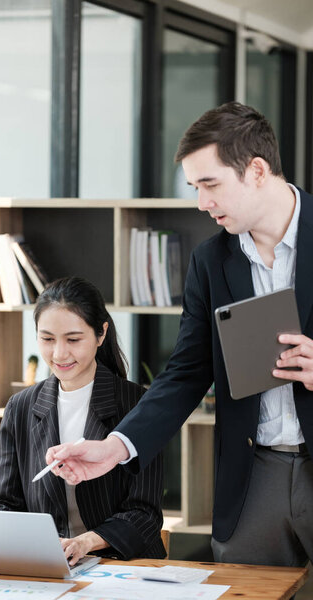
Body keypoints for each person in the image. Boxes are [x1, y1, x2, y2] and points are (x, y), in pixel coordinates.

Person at [46, 102, 313, 569]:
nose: (201, 203)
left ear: (256, 170)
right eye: (194, 187)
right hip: (255, 476)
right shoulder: (211, 262)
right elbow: (186, 373)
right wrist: (114, 448)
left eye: (210, 184)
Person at [0, 276, 165, 565]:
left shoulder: (138, 405)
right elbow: (2, 505)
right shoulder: (19, 407)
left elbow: (145, 514)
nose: (59, 354)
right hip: (47, 564)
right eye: (47, 339)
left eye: (73, 339)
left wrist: (84, 542)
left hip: (122, 564)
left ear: (100, 334)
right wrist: (41, 544)